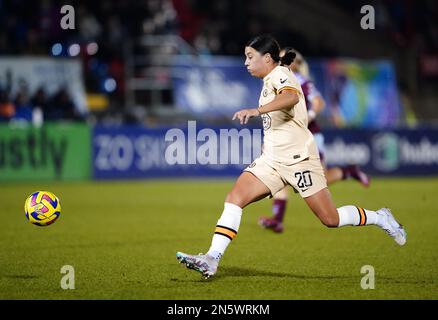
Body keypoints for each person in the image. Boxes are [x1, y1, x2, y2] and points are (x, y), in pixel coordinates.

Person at [176, 35, 406, 279]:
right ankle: (212, 258)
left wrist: (257, 110)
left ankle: (381, 217)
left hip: (299, 160)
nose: (246, 62)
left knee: (330, 218)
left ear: (267, 58)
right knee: (235, 198)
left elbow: (291, 97)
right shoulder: (268, 80)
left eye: (250, 57)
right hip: (272, 161)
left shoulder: (281, 75)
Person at [258, 48, 370, 233]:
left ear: (296, 63)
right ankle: (277, 219)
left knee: (320, 179)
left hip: (309, 137)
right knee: (279, 173)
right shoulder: (277, 81)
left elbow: (319, 102)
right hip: (289, 139)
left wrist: (307, 117)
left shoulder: (301, 81)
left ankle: (349, 171)